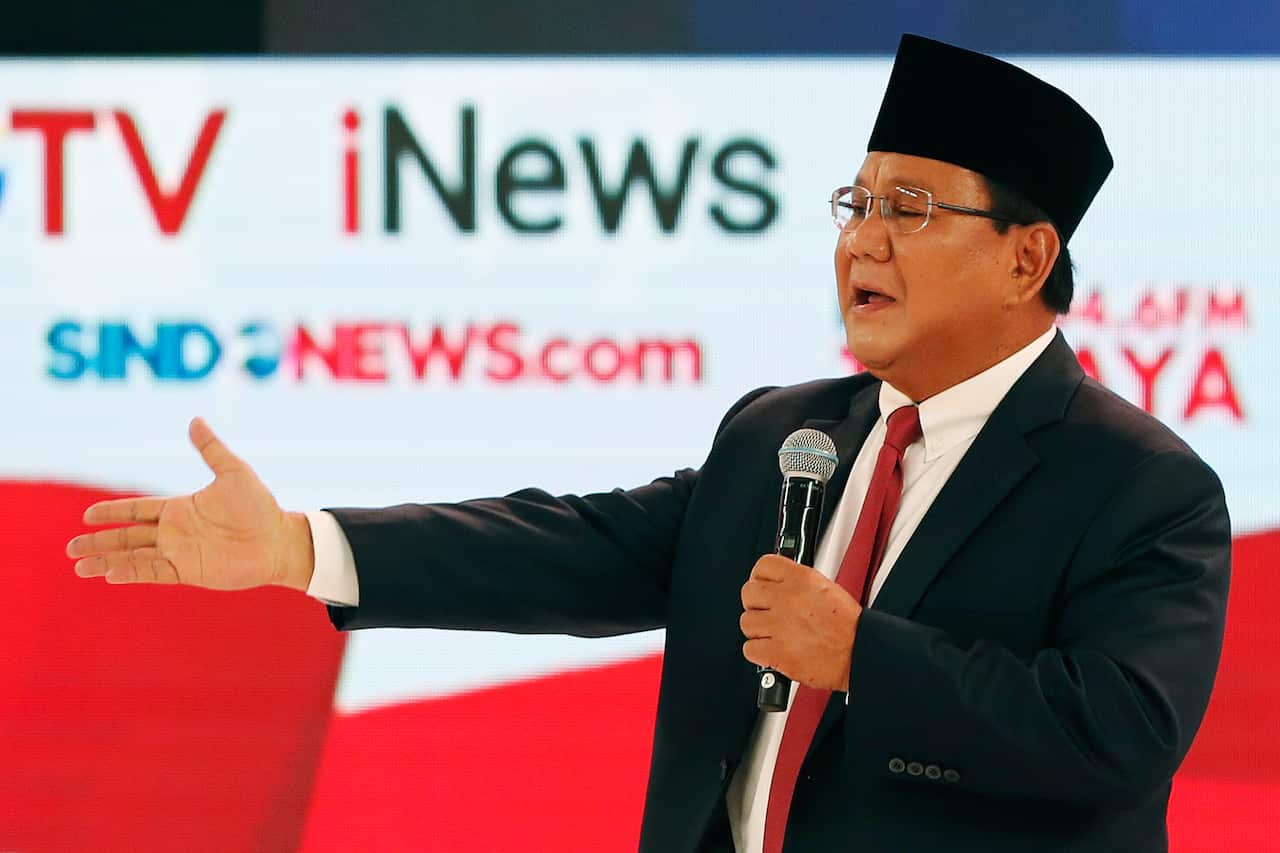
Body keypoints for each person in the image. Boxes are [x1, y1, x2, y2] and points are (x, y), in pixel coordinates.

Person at [65, 34, 1230, 853]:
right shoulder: (788, 435)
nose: (860, 242)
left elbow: (1116, 734)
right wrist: (296, 546)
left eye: (908, 210)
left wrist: (864, 657)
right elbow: (574, 547)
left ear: (1026, 259)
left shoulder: (1135, 483)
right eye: (855, 205)